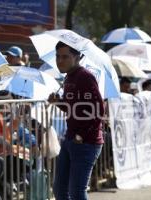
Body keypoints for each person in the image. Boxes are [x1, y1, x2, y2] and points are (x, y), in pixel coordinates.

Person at [48, 42, 104, 200]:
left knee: (77, 192)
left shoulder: (85, 77)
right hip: (70, 139)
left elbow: (99, 110)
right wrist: (58, 102)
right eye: (58, 56)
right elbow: (72, 108)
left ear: (77, 57)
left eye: (65, 57)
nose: (60, 60)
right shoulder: (69, 77)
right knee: (59, 189)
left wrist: (81, 135)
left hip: (85, 142)